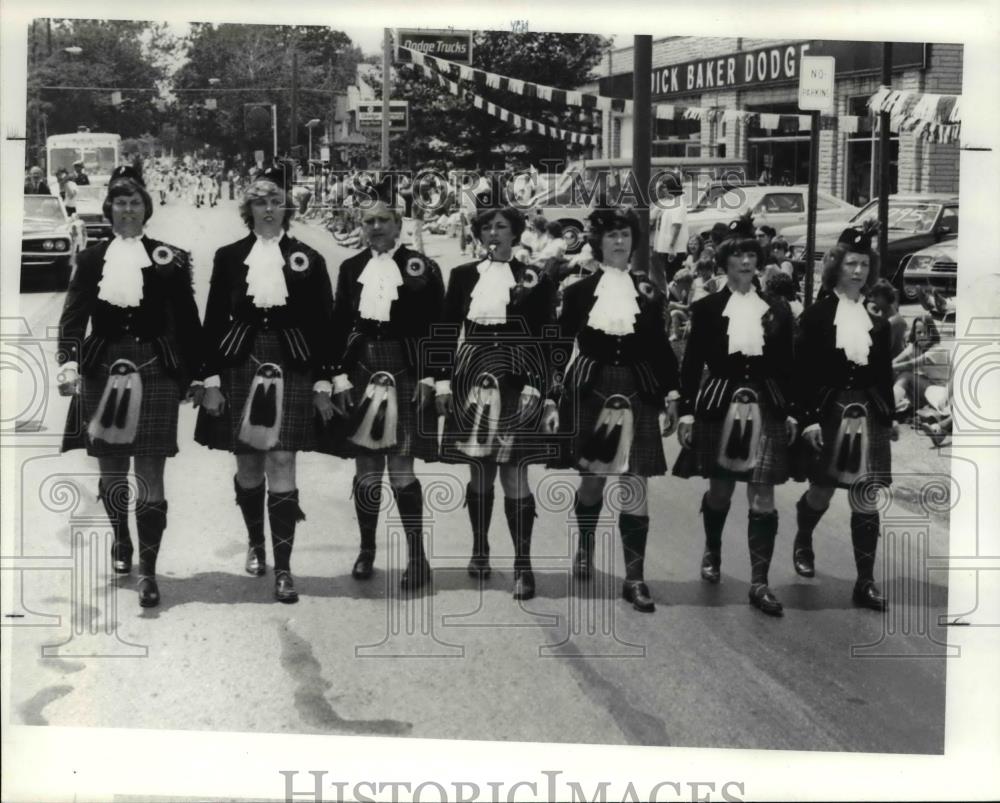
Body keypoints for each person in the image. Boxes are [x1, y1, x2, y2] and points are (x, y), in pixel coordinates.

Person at [56, 170, 202, 608]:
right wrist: (68, 362)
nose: (127, 209)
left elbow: (188, 321)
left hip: (155, 368)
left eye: (135, 202)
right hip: (103, 366)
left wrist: (197, 373)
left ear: (146, 208)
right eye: (120, 202)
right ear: (109, 209)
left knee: (151, 473)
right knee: (111, 467)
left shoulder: (169, 258)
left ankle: (149, 571)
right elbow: (73, 316)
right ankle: (121, 539)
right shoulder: (91, 259)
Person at [195, 166, 334, 604]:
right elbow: (214, 318)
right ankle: (256, 544)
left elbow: (325, 324)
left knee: (283, 460)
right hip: (240, 360)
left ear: (286, 209)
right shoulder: (229, 256)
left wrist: (325, 379)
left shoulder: (309, 257)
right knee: (249, 464)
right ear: (248, 210)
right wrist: (210, 378)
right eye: (260, 202)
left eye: (276, 202)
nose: (269, 210)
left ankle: (285, 568)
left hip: (292, 363)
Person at [554, 205, 680, 613]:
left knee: (635, 482)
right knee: (593, 483)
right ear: (599, 243)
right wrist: (550, 397)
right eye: (612, 236)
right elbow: (559, 347)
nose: (620, 242)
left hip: (638, 390)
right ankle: (586, 547)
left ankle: (635, 577)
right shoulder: (576, 292)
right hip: (592, 388)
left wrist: (674, 396)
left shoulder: (648, 292)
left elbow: (660, 348)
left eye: (626, 235)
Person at [434, 185, 559, 599]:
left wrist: (539, 387)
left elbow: (547, 340)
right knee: (480, 469)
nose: (493, 233)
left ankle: (522, 563)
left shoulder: (535, 278)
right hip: (472, 375)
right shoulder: (463, 276)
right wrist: (439, 381)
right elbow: (446, 330)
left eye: (501, 226)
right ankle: (479, 548)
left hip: (518, 378)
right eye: (486, 226)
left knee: (514, 470)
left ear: (516, 233)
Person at [673, 213, 798, 616]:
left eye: (751, 256)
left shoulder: (777, 309)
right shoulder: (707, 308)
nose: (746, 262)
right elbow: (691, 365)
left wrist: (792, 411)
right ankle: (713, 549)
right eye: (738, 256)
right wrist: (688, 412)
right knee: (721, 490)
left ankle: (760, 583)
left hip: (766, 401)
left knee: (762, 494)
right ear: (725, 263)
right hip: (720, 400)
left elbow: (787, 365)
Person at [326, 176, 445, 590]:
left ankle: (417, 557)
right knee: (366, 469)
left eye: (383, 220)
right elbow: (338, 324)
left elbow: (438, 328)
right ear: (361, 227)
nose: (375, 228)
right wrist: (337, 375)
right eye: (368, 221)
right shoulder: (350, 267)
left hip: (407, 368)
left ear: (398, 224)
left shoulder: (423, 268)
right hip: (362, 368)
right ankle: (366, 549)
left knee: (401, 468)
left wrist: (433, 377)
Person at [790, 224, 898, 611]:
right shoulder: (816, 317)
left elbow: (883, 374)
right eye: (851, 263)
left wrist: (890, 414)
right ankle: (803, 539)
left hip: (867, 411)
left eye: (864, 264)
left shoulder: (878, 323)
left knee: (865, 496)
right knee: (821, 491)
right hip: (827, 411)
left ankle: (865, 582)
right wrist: (807, 419)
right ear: (836, 267)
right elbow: (800, 373)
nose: (858, 271)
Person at [892, 315, 943, 417]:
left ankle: (889, 407)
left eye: (926, 332)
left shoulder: (937, 350)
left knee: (906, 374)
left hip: (939, 393)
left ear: (932, 333)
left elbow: (910, 364)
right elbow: (896, 361)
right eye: (919, 332)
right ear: (914, 334)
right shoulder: (915, 346)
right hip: (924, 390)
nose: (922, 335)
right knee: (897, 372)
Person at [651, 173, 689, 284]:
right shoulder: (668, 203)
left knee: (672, 278)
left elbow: (676, 226)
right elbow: (651, 217)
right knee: (667, 277)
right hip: (666, 248)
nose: (663, 191)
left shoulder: (678, 203)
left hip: (674, 249)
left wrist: (672, 247)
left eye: (665, 188)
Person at [868, 279, 907, 358]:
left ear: (884, 297)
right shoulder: (888, 314)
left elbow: (883, 351)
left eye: (876, 296)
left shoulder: (892, 322)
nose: (873, 300)